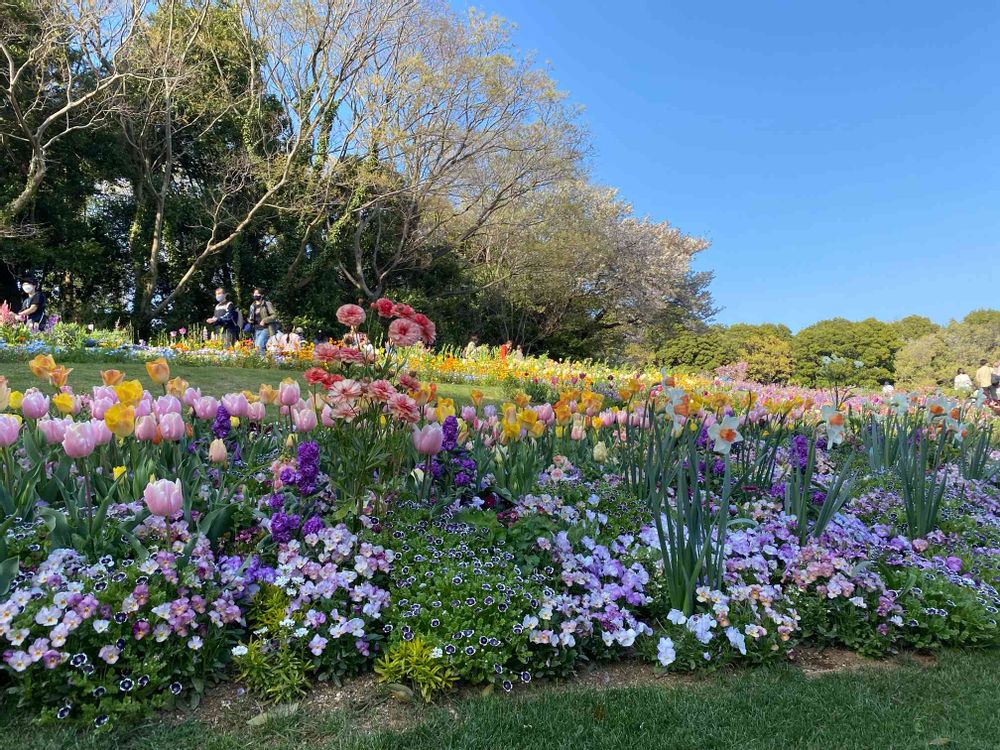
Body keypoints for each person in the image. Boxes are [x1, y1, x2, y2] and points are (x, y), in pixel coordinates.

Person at [247, 287, 279, 354]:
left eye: (257, 293)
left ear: (262, 295)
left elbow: (274, 315)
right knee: (256, 348)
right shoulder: (252, 306)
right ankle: (262, 362)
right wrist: (250, 320)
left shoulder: (267, 304)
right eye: (254, 294)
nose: (255, 295)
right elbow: (251, 317)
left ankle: (263, 362)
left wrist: (265, 320)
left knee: (260, 346)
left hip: (266, 328)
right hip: (256, 329)